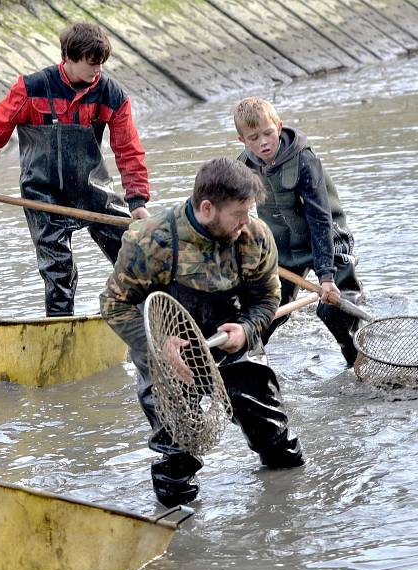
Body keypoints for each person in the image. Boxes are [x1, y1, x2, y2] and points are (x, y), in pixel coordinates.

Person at [100, 158, 304, 507]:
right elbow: (114, 305)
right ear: (207, 208)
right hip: (167, 358)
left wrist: (247, 329)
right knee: (176, 461)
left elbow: (267, 299)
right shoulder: (151, 240)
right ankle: (178, 535)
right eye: (239, 213)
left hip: (230, 346)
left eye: (249, 211)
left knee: (279, 445)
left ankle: (285, 511)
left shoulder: (254, 237)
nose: (246, 221)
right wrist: (158, 345)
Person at [0, 21, 150, 317]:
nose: (98, 70)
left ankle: (147, 317)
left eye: (102, 63)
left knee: (131, 253)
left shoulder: (111, 94)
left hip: (92, 190)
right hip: (42, 193)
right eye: (92, 63)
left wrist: (138, 201)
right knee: (59, 272)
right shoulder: (31, 88)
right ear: (69, 57)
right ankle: (61, 328)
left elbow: (128, 150)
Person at [233, 96, 363, 365]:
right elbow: (231, 213)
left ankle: (359, 360)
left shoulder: (304, 160)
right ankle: (246, 366)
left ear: (279, 127)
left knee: (333, 311)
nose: (263, 143)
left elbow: (320, 219)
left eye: (268, 133)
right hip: (282, 249)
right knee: (262, 315)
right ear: (242, 141)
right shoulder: (243, 168)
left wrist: (326, 275)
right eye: (254, 138)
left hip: (327, 239)